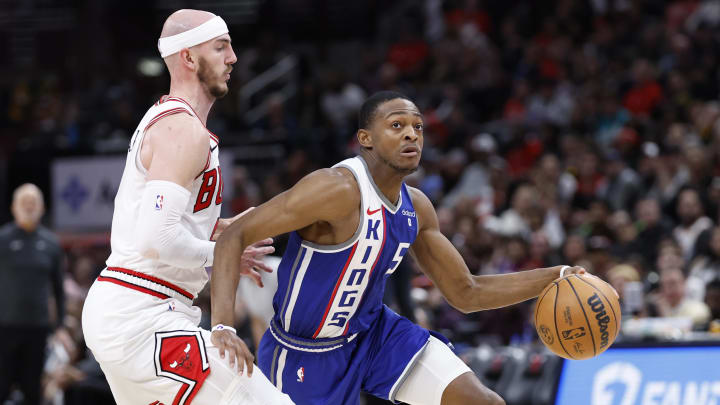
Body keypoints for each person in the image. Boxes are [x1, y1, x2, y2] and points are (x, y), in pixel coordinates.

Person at [212, 91, 587, 405]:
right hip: (303, 351)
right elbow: (234, 235)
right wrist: (224, 326)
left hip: (375, 336)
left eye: (418, 127)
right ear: (365, 138)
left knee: (484, 402)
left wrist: (555, 277)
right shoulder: (335, 189)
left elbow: (466, 293)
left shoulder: (418, 207)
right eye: (397, 126)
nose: (412, 135)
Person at [81, 9, 294, 405]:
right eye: (221, 46)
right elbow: (157, 240)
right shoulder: (182, 129)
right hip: (141, 315)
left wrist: (280, 213)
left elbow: (179, 228)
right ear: (189, 58)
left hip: (140, 311)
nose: (233, 57)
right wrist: (226, 253)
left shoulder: (177, 125)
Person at [0, 183, 65, 405]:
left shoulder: (51, 243)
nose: (29, 207)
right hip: (4, 327)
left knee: (32, 389)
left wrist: (60, 327)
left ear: (43, 207)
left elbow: (58, 289)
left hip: (38, 327)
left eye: (33, 202)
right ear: (13, 207)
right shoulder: (3, 240)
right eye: (24, 203)